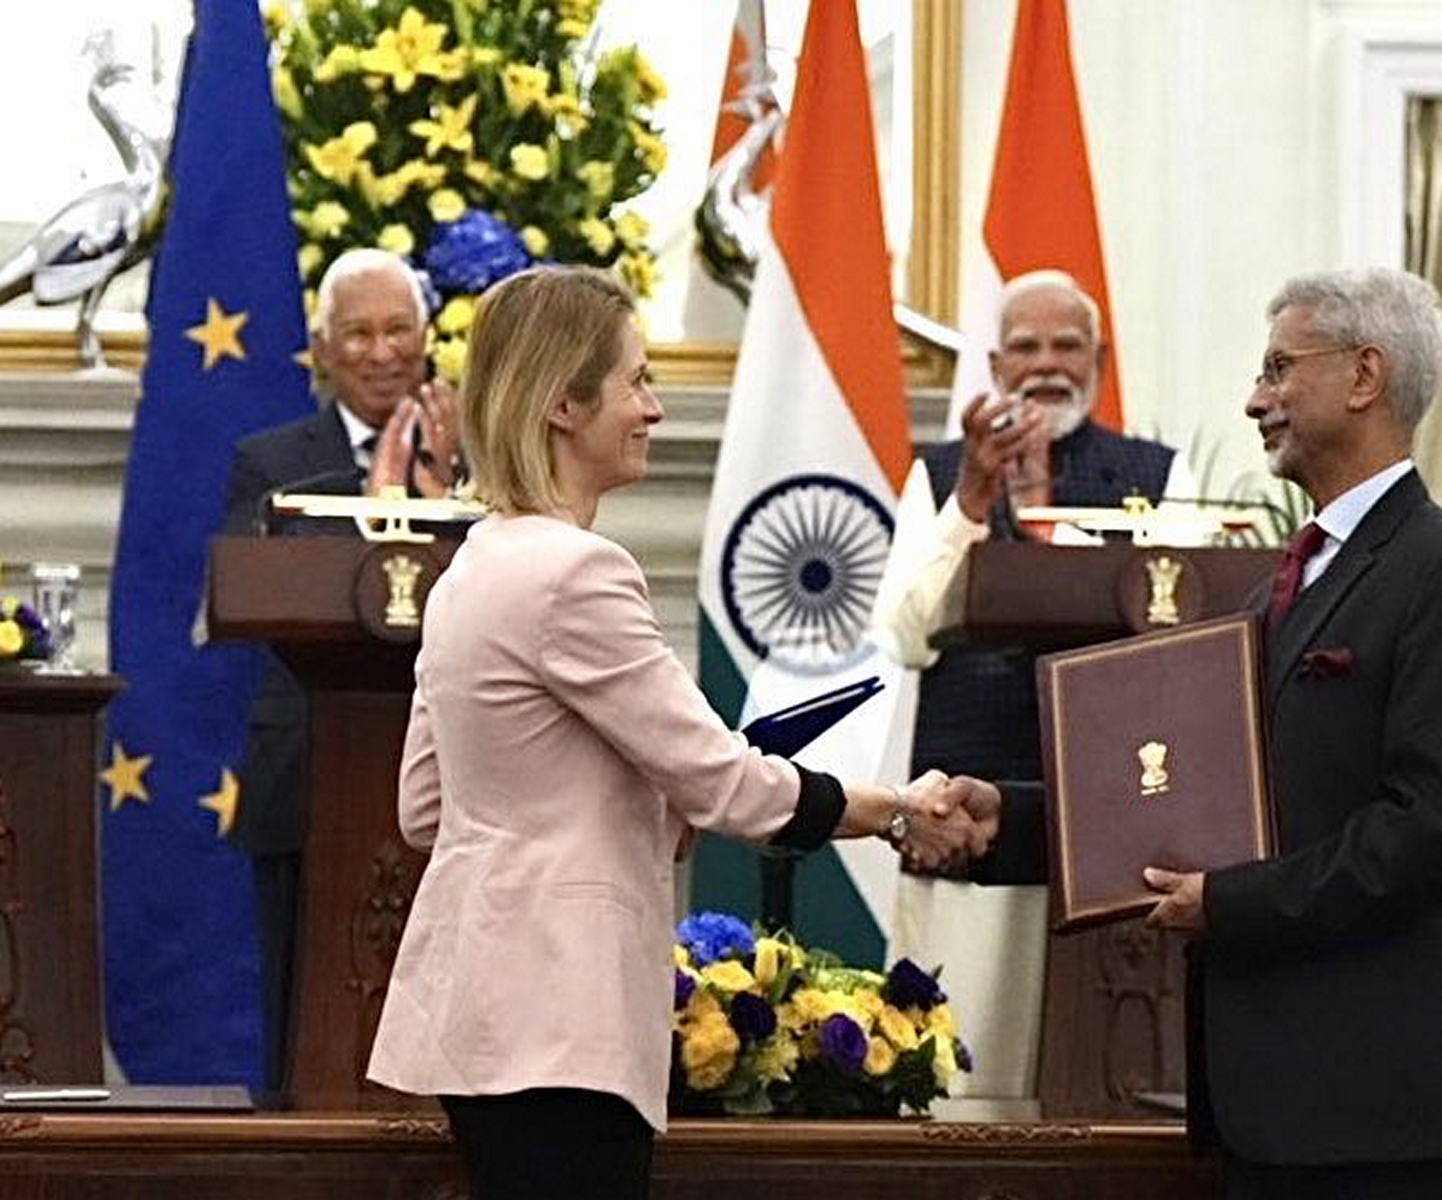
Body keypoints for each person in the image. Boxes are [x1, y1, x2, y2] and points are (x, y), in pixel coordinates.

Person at [364, 265, 996, 1200]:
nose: (653, 408)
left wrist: (623, 799)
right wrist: (895, 810)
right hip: (561, 1013)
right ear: (563, 406)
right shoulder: (578, 572)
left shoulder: (471, 567)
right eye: (636, 380)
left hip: (482, 1013)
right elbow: (726, 785)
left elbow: (426, 808)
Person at [957, 266, 1442, 1199]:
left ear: (1365, 375)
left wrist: (1234, 903)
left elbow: (1433, 827)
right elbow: (1184, 791)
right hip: (1272, 1105)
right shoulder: (1282, 586)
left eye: (1277, 368)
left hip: (1374, 1109)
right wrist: (1004, 823)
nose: (1255, 399)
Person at [870, 268, 1193, 1098]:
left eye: (1067, 345)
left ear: (1099, 356)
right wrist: (975, 501)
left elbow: (1187, 638)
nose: (1047, 364)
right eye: (1026, 346)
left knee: (1103, 1082)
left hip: (1113, 823)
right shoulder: (941, 472)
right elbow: (906, 634)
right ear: (994, 361)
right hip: (968, 815)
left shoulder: (1157, 472)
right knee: (960, 1079)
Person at [221, 247, 463, 1091]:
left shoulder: (476, 453)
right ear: (323, 349)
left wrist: (442, 494)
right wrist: (382, 503)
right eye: (357, 333)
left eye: (399, 329)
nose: (380, 350)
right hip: (307, 772)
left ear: (427, 339)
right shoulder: (273, 461)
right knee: (301, 1013)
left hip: (456, 772)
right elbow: (267, 590)